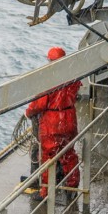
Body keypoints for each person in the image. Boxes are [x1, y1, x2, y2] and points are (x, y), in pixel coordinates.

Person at [25, 47, 81, 198]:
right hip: (69, 118)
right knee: (69, 153)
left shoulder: (48, 81)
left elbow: (39, 104)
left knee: (48, 157)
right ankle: (72, 188)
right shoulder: (73, 78)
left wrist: (29, 112)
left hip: (53, 122)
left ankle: (46, 192)